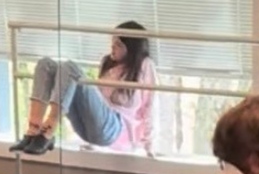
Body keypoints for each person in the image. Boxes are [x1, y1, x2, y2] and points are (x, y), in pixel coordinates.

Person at [10, 20, 157, 156]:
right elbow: (95, 104)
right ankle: (33, 131)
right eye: (112, 42)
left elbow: (149, 107)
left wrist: (148, 146)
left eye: (118, 44)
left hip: (116, 129)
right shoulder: (107, 62)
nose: (112, 47)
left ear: (131, 49)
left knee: (70, 68)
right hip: (88, 127)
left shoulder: (144, 65)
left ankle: (47, 131)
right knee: (45, 64)